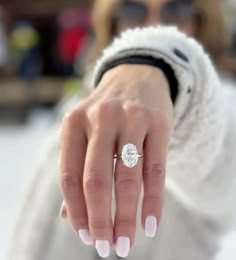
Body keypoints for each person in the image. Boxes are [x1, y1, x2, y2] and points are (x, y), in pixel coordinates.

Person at [7, 1, 236, 260]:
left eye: (176, 11)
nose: (154, 24)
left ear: (203, 21)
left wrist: (158, 63)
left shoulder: (216, 104)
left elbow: (222, 167)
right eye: (133, 11)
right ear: (112, 21)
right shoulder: (82, 99)